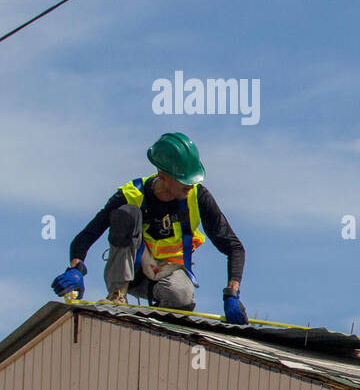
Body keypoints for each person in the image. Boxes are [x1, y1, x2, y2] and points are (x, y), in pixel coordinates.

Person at [50, 132, 249, 325]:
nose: (190, 186)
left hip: (168, 272)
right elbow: (87, 235)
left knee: (182, 298)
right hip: (134, 271)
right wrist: (76, 269)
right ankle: (117, 295)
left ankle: (162, 322)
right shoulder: (133, 193)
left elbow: (234, 247)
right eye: (183, 181)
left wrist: (231, 294)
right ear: (162, 175)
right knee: (126, 213)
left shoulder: (198, 197)